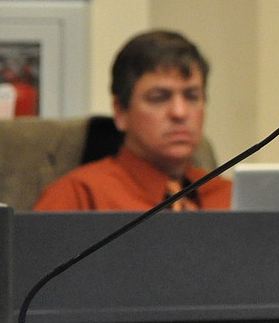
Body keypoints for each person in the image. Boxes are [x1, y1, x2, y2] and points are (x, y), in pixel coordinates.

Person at [34, 29, 231, 211]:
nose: (180, 113)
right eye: (159, 98)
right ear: (120, 112)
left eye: (192, 96)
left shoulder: (230, 197)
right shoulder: (79, 194)